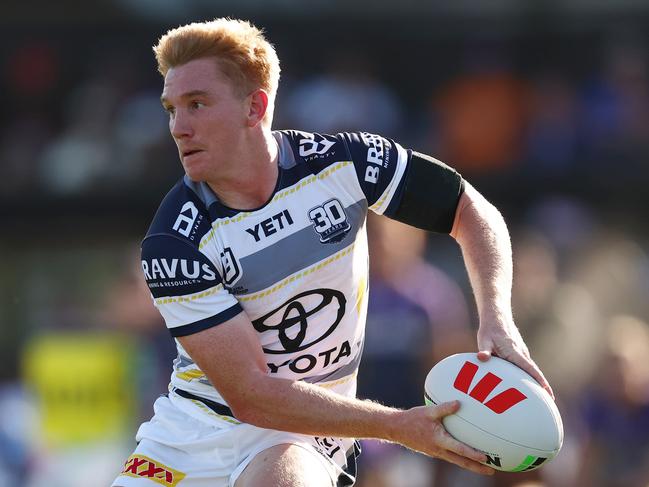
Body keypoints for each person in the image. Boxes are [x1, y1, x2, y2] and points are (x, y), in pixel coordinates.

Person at [111, 18, 553, 487]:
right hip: (191, 433)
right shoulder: (173, 242)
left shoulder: (344, 163)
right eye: (171, 109)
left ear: (254, 107)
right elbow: (252, 395)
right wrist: (398, 428)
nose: (178, 127)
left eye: (196, 104)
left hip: (300, 432)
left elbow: (471, 210)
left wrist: (496, 317)